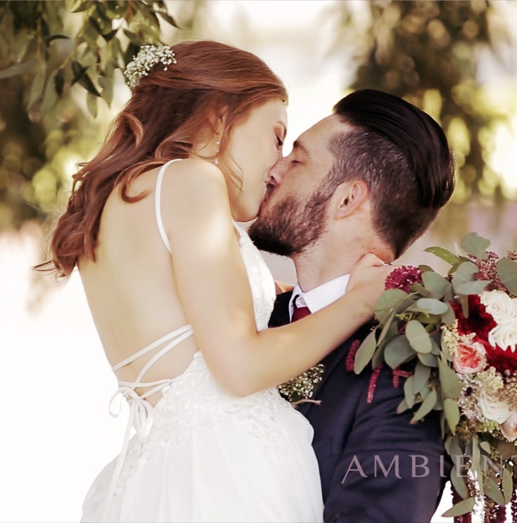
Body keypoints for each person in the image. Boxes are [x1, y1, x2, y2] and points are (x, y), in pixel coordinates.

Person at [47, 42, 390, 522]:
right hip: (227, 476)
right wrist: (360, 301)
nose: (276, 167)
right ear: (216, 118)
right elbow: (240, 366)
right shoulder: (191, 180)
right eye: (275, 137)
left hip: (158, 474)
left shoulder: (109, 208)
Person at [249, 88, 457, 522]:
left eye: (297, 159)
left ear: (347, 199)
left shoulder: (408, 373)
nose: (272, 170)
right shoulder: (247, 322)